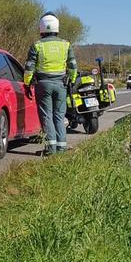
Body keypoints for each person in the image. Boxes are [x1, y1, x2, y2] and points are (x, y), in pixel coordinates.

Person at [23, 12, 78, 155]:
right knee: (59, 116)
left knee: (46, 116)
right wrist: (71, 81)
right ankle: (61, 148)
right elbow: (72, 66)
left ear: (41, 28)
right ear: (57, 27)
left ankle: (50, 149)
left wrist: (27, 84)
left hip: (43, 84)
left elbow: (29, 68)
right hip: (61, 85)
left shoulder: (37, 45)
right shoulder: (66, 45)